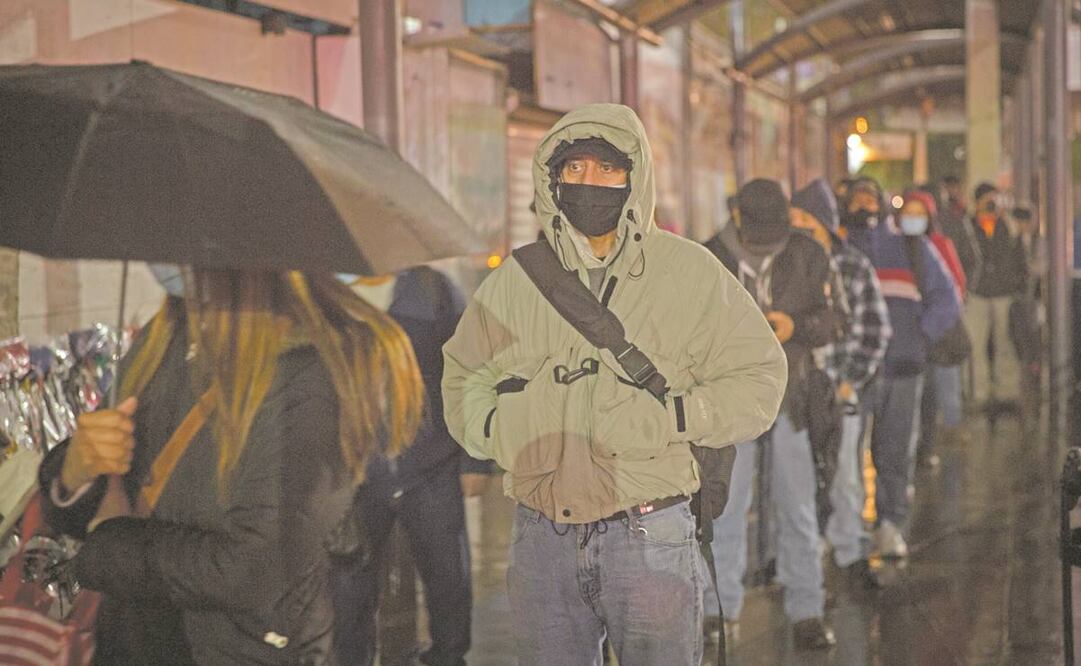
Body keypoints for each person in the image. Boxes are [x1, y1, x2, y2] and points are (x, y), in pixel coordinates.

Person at [442, 103, 787, 666]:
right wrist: (502, 430)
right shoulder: (516, 280)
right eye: (574, 170)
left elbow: (760, 378)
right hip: (542, 536)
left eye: (607, 169)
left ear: (635, 178)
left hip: (650, 534)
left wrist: (675, 417)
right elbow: (463, 376)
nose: (590, 183)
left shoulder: (690, 272)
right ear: (553, 180)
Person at [38, 267, 425, 664]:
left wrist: (106, 548)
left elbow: (256, 569)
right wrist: (75, 473)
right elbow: (100, 485)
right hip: (136, 643)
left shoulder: (314, 374)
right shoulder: (167, 334)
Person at [331, 267, 491, 666]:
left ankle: (448, 657)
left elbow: (472, 369)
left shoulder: (430, 289)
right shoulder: (327, 292)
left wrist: (476, 458)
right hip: (355, 472)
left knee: (448, 580)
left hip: (431, 465)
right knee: (348, 586)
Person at [703, 178, 837, 649]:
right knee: (725, 509)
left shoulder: (807, 254)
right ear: (738, 216)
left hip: (791, 400)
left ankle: (807, 609)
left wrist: (795, 325)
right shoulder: (709, 257)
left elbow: (831, 320)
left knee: (797, 508)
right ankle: (718, 610)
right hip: (730, 402)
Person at [840, 178, 961, 559]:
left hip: (903, 366)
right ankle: (848, 530)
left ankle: (889, 524)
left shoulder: (911, 247)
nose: (865, 206)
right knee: (844, 455)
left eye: (870, 198)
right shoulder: (840, 248)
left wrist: (920, 335)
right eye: (857, 199)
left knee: (893, 450)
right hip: (856, 370)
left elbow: (947, 297)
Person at [791, 179, 892, 589]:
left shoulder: (852, 265)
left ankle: (850, 550)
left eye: (806, 221)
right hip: (795, 396)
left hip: (837, 392)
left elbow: (876, 330)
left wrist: (850, 380)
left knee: (846, 476)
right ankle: (804, 555)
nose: (798, 228)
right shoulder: (784, 265)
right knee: (797, 480)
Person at [901, 189, 969, 469]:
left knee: (936, 389)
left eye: (920, 213)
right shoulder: (896, 245)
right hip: (907, 337)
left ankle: (937, 439)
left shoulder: (938, 244)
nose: (913, 219)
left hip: (934, 335)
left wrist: (927, 327)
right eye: (909, 212)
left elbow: (955, 287)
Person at [964, 182, 1028, 407]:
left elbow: (1020, 258)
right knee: (975, 344)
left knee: (1006, 341)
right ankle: (979, 393)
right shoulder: (968, 226)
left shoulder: (1008, 226)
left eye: (995, 199)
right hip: (977, 293)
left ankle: (1007, 392)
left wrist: (1019, 284)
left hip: (1004, 293)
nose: (992, 204)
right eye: (987, 200)